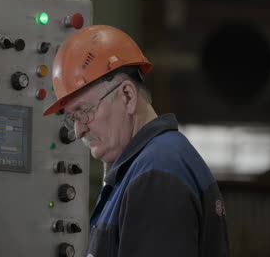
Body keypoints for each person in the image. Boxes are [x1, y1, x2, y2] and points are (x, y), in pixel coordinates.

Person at [43, 25, 229, 257]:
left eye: (84, 111)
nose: (79, 131)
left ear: (128, 96)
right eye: (73, 119)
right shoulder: (146, 168)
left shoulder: (157, 175)